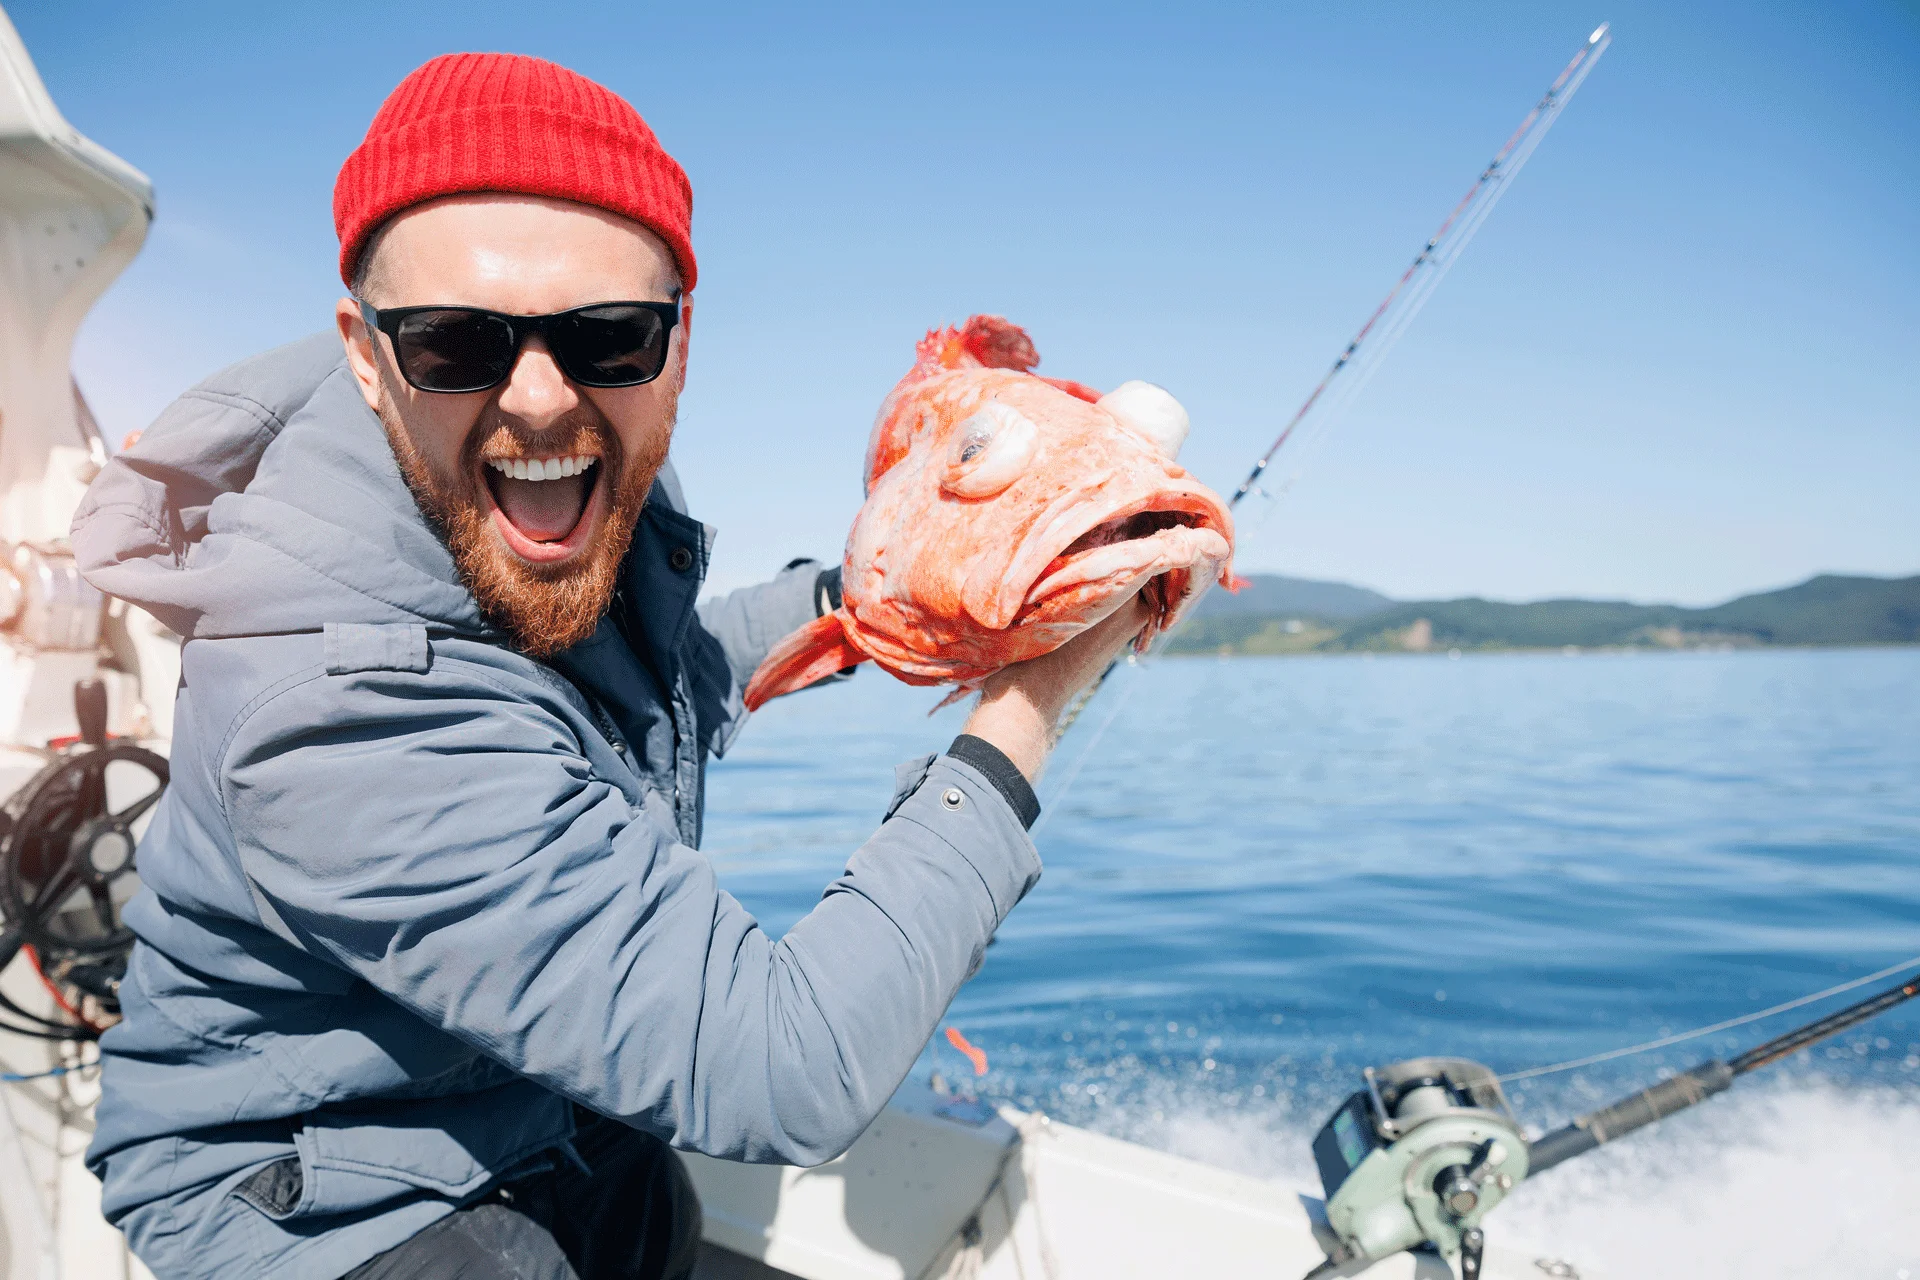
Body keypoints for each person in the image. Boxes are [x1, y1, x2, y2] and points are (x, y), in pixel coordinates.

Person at [72, 52, 1144, 1280]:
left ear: (674, 347)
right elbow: (788, 1067)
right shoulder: (332, 703)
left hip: (502, 1096)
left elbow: (673, 672)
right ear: (367, 355)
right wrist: (1036, 692)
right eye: (456, 340)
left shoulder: (528, 509)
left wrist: (880, 593)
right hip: (309, 1189)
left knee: (660, 1218)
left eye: (609, 333)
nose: (538, 397)